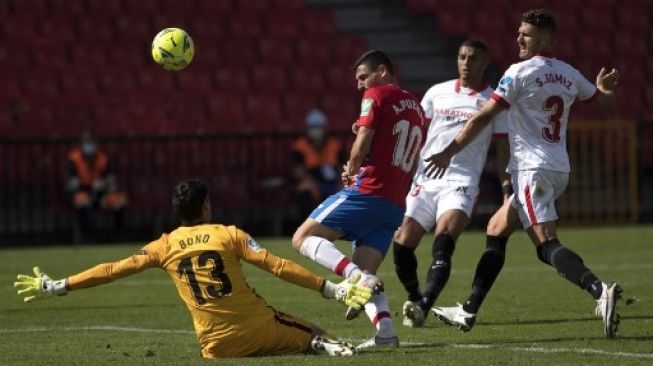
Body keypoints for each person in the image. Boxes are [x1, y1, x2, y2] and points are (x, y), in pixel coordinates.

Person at [423, 9, 622, 338]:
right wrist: (605, 89)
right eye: (519, 33)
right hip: (557, 168)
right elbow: (606, 104)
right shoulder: (567, 72)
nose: (518, 38)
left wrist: (448, 151)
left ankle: (600, 291)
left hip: (533, 170)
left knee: (546, 245)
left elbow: (482, 118)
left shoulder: (518, 73)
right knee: (496, 228)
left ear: (544, 39)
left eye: (526, 35)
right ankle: (469, 309)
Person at [14, 179, 373, 358]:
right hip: (259, 329)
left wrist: (57, 285)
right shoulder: (227, 234)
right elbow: (276, 265)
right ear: (206, 205)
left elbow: (111, 270)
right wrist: (332, 289)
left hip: (215, 346)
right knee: (315, 334)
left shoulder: (163, 246)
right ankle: (318, 343)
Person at [291, 50, 428, 348]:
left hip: (369, 191)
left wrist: (351, 168)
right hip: (394, 202)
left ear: (382, 71)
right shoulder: (416, 106)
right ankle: (387, 333)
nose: (359, 85)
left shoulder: (376, 95)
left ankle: (356, 278)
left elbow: (363, 143)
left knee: (302, 237)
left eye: (363, 77)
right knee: (367, 270)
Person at [392, 40, 511, 328]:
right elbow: (416, 133)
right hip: (426, 178)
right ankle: (414, 295)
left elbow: (502, 151)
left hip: (461, 181)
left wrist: (507, 189)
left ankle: (425, 304)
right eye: (462, 57)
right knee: (402, 243)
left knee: (444, 238)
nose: (466, 63)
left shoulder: (494, 102)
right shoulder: (437, 93)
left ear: (484, 63)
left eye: (473, 58)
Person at [65, 130, 127, 243]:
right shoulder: (73, 159)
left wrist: (105, 184)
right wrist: (89, 186)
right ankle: (86, 237)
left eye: (92, 142)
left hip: (101, 194)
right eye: (87, 142)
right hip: (83, 192)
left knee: (119, 201)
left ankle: (118, 237)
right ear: (82, 144)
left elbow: (111, 179)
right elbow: (71, 183)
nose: (90, 146)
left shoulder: (103, 158)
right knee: (81, 201)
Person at [291, 108, 346, 225]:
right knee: (304, 190)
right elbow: (297, 170)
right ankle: (306, 227)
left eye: (319, 126)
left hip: (334, 182)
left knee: (347, 191)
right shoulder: (300, 146)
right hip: (312, 182)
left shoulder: (335, 144)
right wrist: (313, 183)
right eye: (313, 127)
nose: (316, 130)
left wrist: (340, 183)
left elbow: (343, 166)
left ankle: (341, 228)